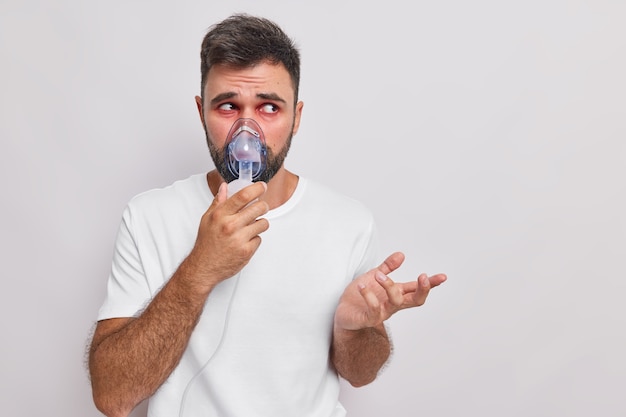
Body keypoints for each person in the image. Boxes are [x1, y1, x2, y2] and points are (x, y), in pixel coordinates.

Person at [88, 13, 446, 417]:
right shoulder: (149, 217)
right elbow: (112, 397)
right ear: (200, 110)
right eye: (227, 106)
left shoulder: (348, 223)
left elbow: (360, 374)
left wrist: (353, 330)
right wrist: (199, 269)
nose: (247, 131)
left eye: (269, 107)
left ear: (297, 117)